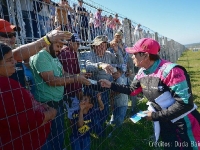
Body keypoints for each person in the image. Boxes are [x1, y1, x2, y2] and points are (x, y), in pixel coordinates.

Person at [100, 38, 200, 149]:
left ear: (146, 55)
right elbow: (133, 90)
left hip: (184, 124)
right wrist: (111, 85)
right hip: (165, 121)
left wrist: (155, 116)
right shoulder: (143, 71)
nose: (132, 57)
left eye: (135, 54)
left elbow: (185, 104)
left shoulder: (172, 71)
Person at [29, 32, 91, 150]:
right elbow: (51, 80)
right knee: (50, 138)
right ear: (48, 43)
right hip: (47, 104)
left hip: (57, 102)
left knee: (59, 135)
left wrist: (78, 75)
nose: (60, 49)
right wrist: (76, 78)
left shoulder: (54, 56)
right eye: (57, 46)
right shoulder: (41, 56)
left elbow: (64, 74)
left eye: (61, 46)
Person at [0, 43, 57, 150]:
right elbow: (27, 120)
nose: (15, 62)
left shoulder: (8, 83)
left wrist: (39, 105)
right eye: (9, 60)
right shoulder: (5, 87)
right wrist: (50, 113)